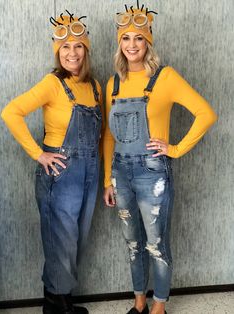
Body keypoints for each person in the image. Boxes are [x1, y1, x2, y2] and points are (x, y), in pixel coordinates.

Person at [103, 1, 217, 314]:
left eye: (138, 38)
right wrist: (107, 180)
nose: (131, 45)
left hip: (152, 174)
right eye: (126, 38)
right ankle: (139, 302)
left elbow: (206, 113)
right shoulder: (112, 84)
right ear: (119, 43)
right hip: (121, 174)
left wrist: (176, 149)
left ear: (148, 40)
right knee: (132, 244)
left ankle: (159, 307)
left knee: (156, 244)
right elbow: (109, 136)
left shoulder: (165, 77)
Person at [1, 10, 103, 314]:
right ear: (58, 52)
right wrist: (38, 153)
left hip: (90, 171)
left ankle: (57, 299)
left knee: (78, 238)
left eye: (78, 46)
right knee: (62, 239)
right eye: (65, 47)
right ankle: (59, 304)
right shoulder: (52, 83)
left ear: (86, 50)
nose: (72, 53)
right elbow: (11, 112)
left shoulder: (96, 87)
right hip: (62, 174)